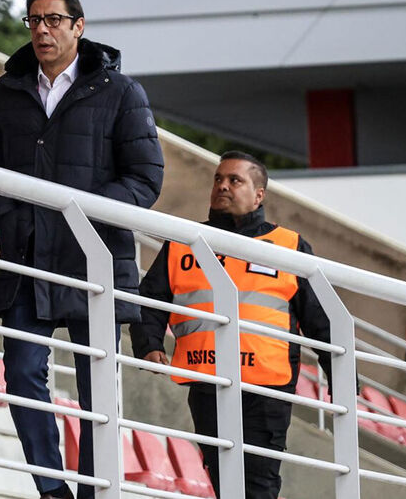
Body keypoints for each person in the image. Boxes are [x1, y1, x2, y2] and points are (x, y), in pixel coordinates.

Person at [0, 0, 164, 498]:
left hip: (94, 262)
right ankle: (52, 490)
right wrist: (7, 217)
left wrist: (80, 215)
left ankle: (92, 493)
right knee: (22, 375)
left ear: (79, 26)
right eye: (34, 20)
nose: (42, 29)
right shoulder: (7, 92)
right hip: (27, 259)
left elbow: (146, 179)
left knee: (95, 392)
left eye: (54, 20)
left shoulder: (121, 91)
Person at [130, 151, 333, 499]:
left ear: (259, 194)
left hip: (266, 388)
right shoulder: (184, 241)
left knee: (259, 483)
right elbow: (150, 300)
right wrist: (148, 345)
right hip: (208, 383)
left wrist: (341, 373)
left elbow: (320, 317)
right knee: (225, 483)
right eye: (218, 179)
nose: (222, 186)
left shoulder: (290, 246)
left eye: (234, 180)